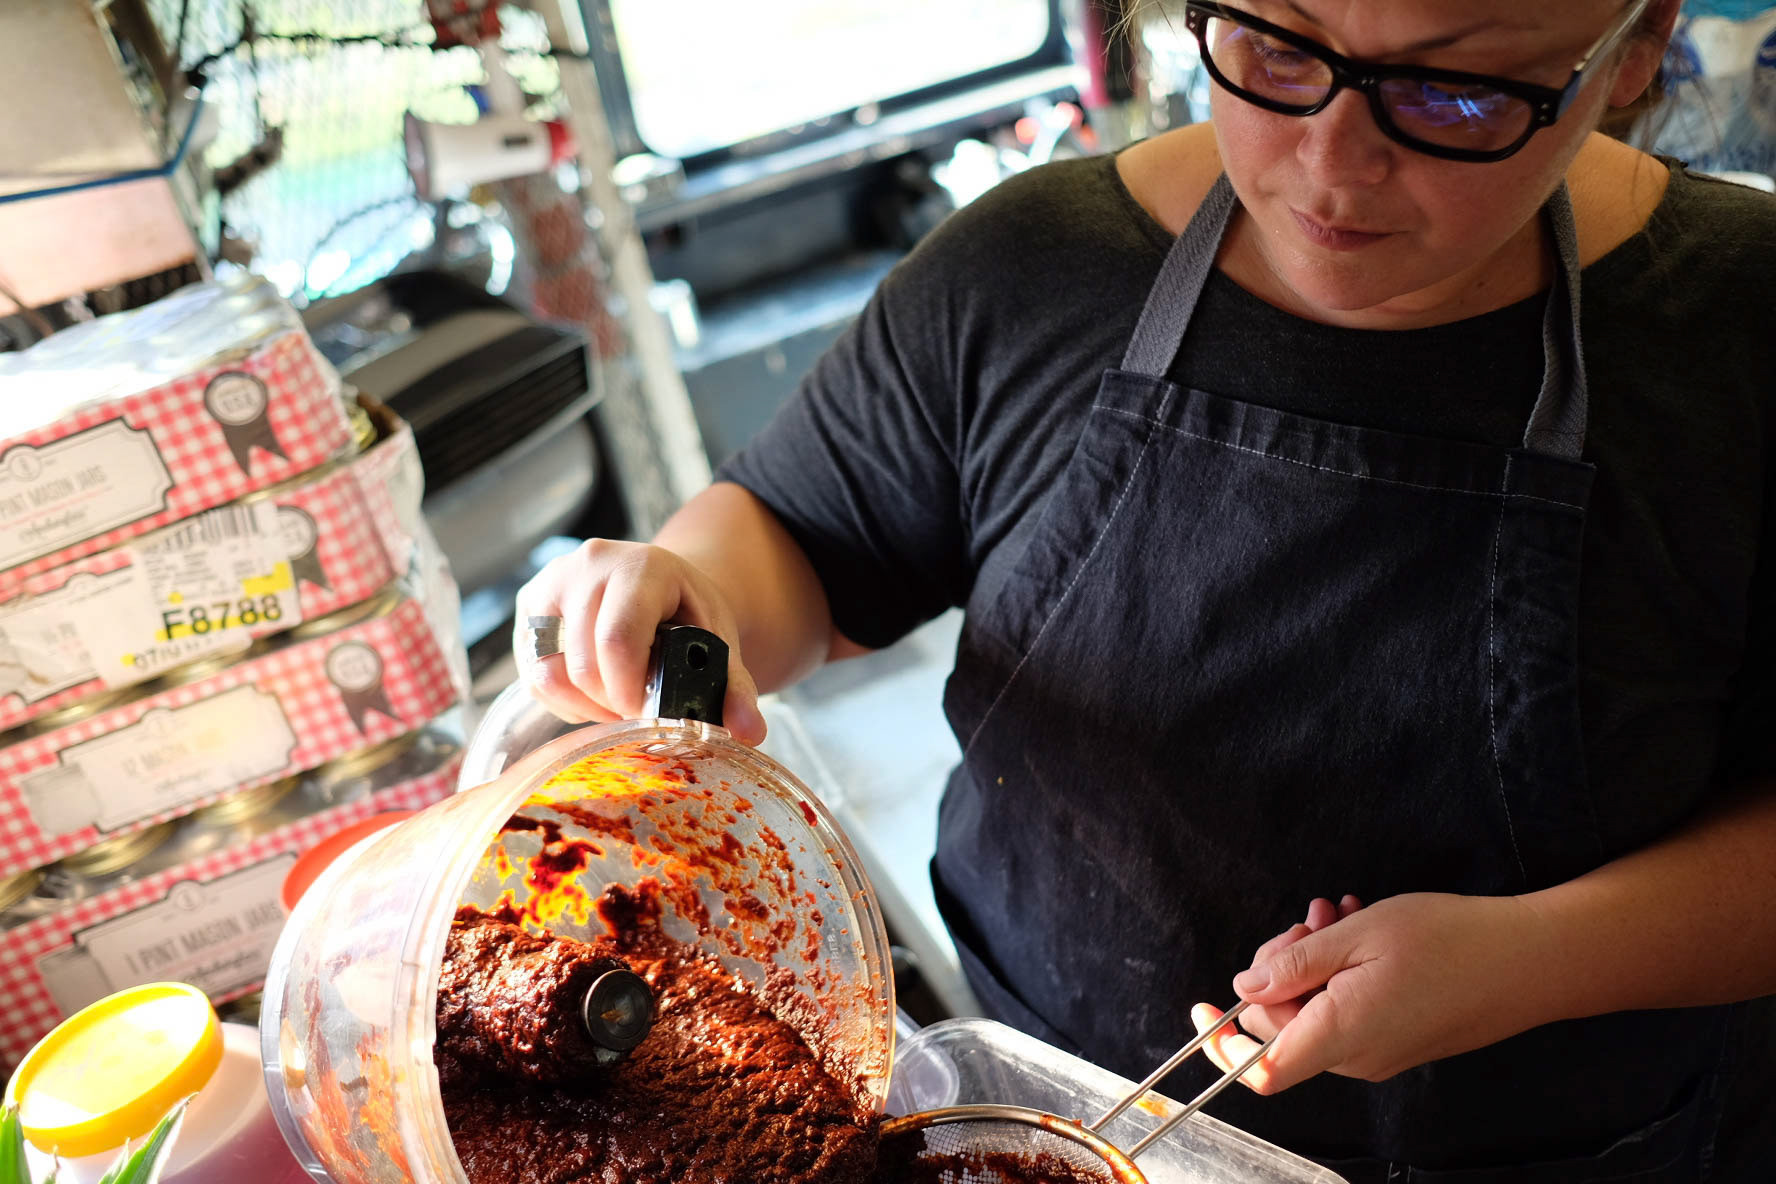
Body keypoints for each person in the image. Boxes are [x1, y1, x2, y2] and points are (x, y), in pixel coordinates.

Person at [515, 0, 1776, 1178]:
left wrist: (1527, 963)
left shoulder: (1737, 333)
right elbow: (799, 536)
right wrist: (693, 590)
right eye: (1279, 50)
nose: (1331, 165)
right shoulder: (1038, 267)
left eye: (1454, 97)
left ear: (1629, 48)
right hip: (1053, 1106)